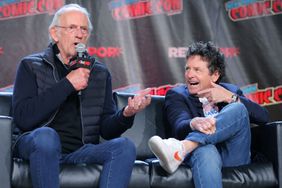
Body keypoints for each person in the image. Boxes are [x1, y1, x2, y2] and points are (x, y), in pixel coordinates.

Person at [12, 4, 151, 188]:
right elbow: (23, 118)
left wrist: (127, 113)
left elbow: (106, 130)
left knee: (124, 147)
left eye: (83, 29)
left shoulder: (99, 73)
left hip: (80, 150)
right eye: (72, 28)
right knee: (47, 136)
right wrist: (67, 84)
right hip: (37, 144)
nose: (79, 34)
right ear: (55, 34)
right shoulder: (31, 65)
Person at [148, 41, 269, 188]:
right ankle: (188, 146)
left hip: (233, 154)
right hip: (204, 156)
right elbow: (179, 124)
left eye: (197, 70)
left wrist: (230, 97)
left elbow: (263, 117)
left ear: (215, 75)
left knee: (238, 108)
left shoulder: (230, 91)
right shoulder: (177, 94)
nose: (189, 75)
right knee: (206, 150)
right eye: (187, 69)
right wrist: (194, 123)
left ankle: (182, 147)